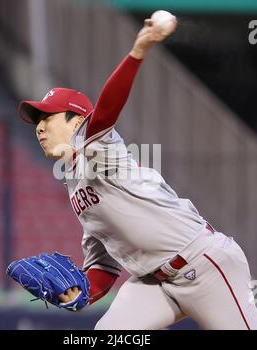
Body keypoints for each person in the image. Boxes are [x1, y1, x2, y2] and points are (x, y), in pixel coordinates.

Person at [18, 18, 257, 330]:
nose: (39, 127)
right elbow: (103, 266)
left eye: (47, 117)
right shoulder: (74, 185)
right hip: (152, 282)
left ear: (77, 122)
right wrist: (78, 295)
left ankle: (245, 292)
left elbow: (105, 112)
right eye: (37, 120)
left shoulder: (98, 148)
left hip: (204, 265)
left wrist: (139, 50)